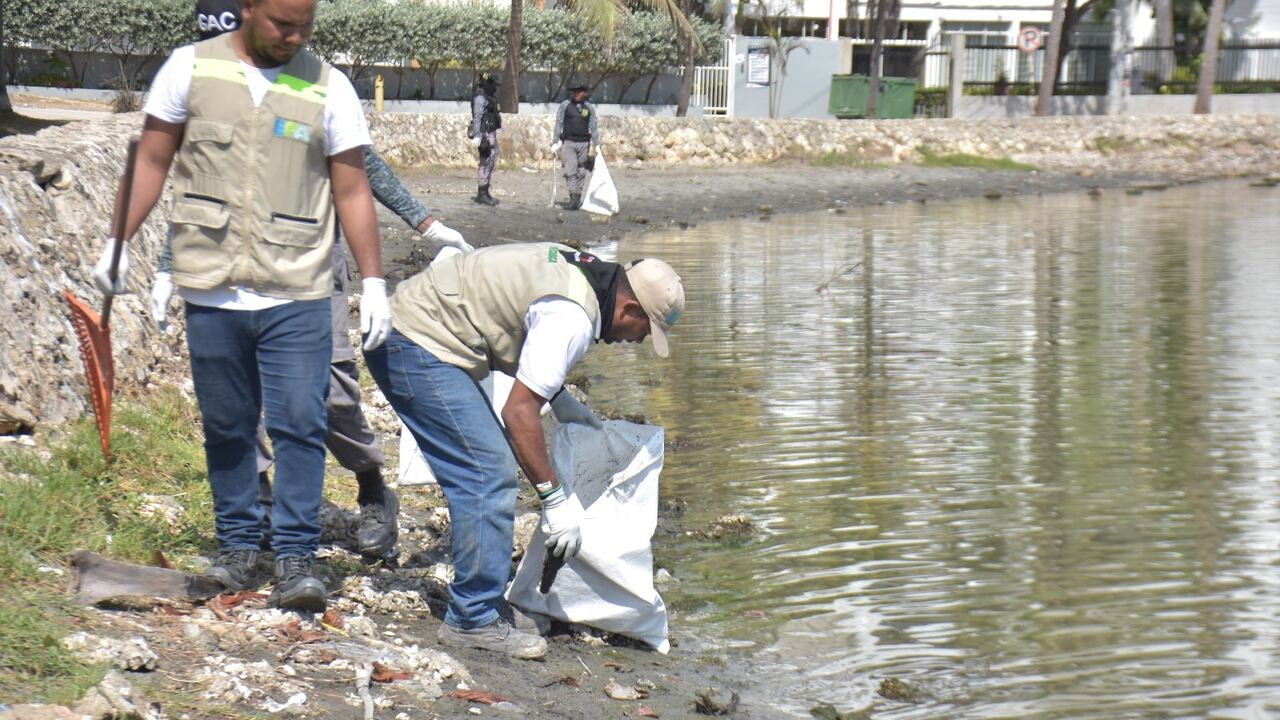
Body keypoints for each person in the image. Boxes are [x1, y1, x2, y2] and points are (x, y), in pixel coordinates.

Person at [92, 0, 390, 612]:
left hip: (298, 286)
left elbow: (353, 188)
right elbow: (151, 159)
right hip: (212, 284)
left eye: (306, 24)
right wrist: (118, 240)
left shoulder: (330, 87)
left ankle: (296, 557)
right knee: (228, 425)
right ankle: (237, 546)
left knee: (300, 426)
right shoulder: (189, 69)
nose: (295, 35)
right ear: (248, 9)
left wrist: (375, 282)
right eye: (283, 23)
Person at [159, 0, 472, 563]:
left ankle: (373, 486)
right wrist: (166, 265)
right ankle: (253, 514)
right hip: (228, 270)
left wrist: (424, 223)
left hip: (309, 262)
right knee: (239, 400)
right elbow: (197, 188)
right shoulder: (204, 80)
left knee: (328, 391)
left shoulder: (309, 78)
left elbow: (362, 170)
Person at [363, 243, 684, 659]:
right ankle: (472, 619)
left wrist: (559, 396)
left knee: (486, 467)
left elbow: (509, 314)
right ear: (630, 309)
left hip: (420, 328)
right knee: (487, 473)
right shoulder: (573, 317)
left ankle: (485, 605)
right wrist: (554, 500)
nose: (638, 341)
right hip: (413, 341)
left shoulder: (581, 267)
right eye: (645, 330)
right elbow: (518, 413)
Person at [551, 82, 599, 211]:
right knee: (570, 170)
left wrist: (597, 145)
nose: (576, 94)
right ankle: (573, 199)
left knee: (581, 171)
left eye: (579, 91)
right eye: (574, 91)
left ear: (585, 93)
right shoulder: (565, 105)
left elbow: (594, 127)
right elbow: (559, 123)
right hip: (569, 142)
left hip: (584, 143)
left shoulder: (589, 108)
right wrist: (555, 141)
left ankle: (577, 198)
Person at [469, 71, 502, 207]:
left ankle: (485, 191)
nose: (495, 88)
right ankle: (481, 194)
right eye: (493, 84)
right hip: (484, 135)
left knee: (490, 161)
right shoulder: (480, 97)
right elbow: (477, 117)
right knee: (485, 162)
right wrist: (477, 135)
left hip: (490, 133)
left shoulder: (488, 96)